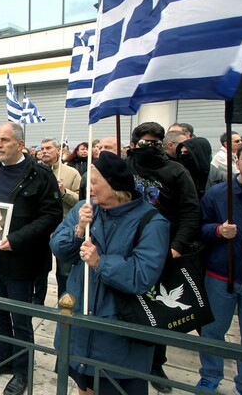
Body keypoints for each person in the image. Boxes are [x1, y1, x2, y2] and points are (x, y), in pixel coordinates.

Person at [50, 151, 170, 395]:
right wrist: (79, 228)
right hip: (78, 322)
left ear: (115, 187)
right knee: (82, 385)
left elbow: (142, 275)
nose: (88, 187)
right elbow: (59, 248)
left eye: (94, 182)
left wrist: (99, 262)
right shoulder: (86, 209)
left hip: (119, 335)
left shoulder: (152, 222)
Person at [0, 122, 62, 395]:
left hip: (20, 260)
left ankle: (22, 371)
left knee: (20, 319)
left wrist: (17, 240)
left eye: (4, 140)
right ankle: (3, 359)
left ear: (19, 144)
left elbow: (52, 215)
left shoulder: (39, 174)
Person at [126, 122, 201, 393]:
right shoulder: (127, 166)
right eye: (145, 142)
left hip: (163, 251)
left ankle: (156, 365)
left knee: (157, 311)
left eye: (156, 142)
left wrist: (178, 246)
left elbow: (191, 211)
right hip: (127, 249)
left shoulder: (176, 171)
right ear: (134, 143)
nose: (151, 147)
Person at [195, 141, 242, 395]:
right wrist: (218, 230)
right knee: (213, 331)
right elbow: (199, 228)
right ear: (236, 161)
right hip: (220, 275)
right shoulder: (218, 194)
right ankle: (210, 376)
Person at [38, 137, 81, 301]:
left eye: (48, 148)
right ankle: (37, 300)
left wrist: (64, 192)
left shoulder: (71, 173)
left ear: (58, 150)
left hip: (63, 227)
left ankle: (65, 302)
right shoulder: (35, 171)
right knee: (40, 268)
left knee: (64, 270)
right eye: (42, 148)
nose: (45, 151)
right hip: (41, 227)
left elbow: (80, 200)